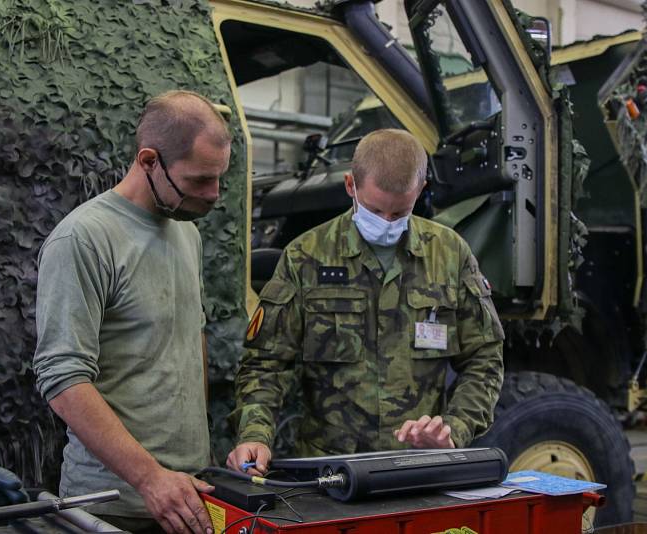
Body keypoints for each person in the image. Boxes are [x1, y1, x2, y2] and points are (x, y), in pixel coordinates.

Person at [227, 129, 504, 475]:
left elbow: (485, 358)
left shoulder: (449, 255)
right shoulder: (306, 257)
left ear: (419, 191)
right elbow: (266, 363)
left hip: (416, 468)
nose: (387, 223)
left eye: (399, 212)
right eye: (375, 210)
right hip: (328, 471)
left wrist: (453, 430)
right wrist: (255, 434)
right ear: (350, 186)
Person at [33, 90, 231, 534]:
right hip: (114, 504)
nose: (214, 195)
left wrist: (200, 457)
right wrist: (149, 477)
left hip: (188, 491)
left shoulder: (186, 232)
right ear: (148, 161)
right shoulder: (84, 239)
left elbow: (190, 339)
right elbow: (63, 379)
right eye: (200, 181)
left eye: (220, 178)